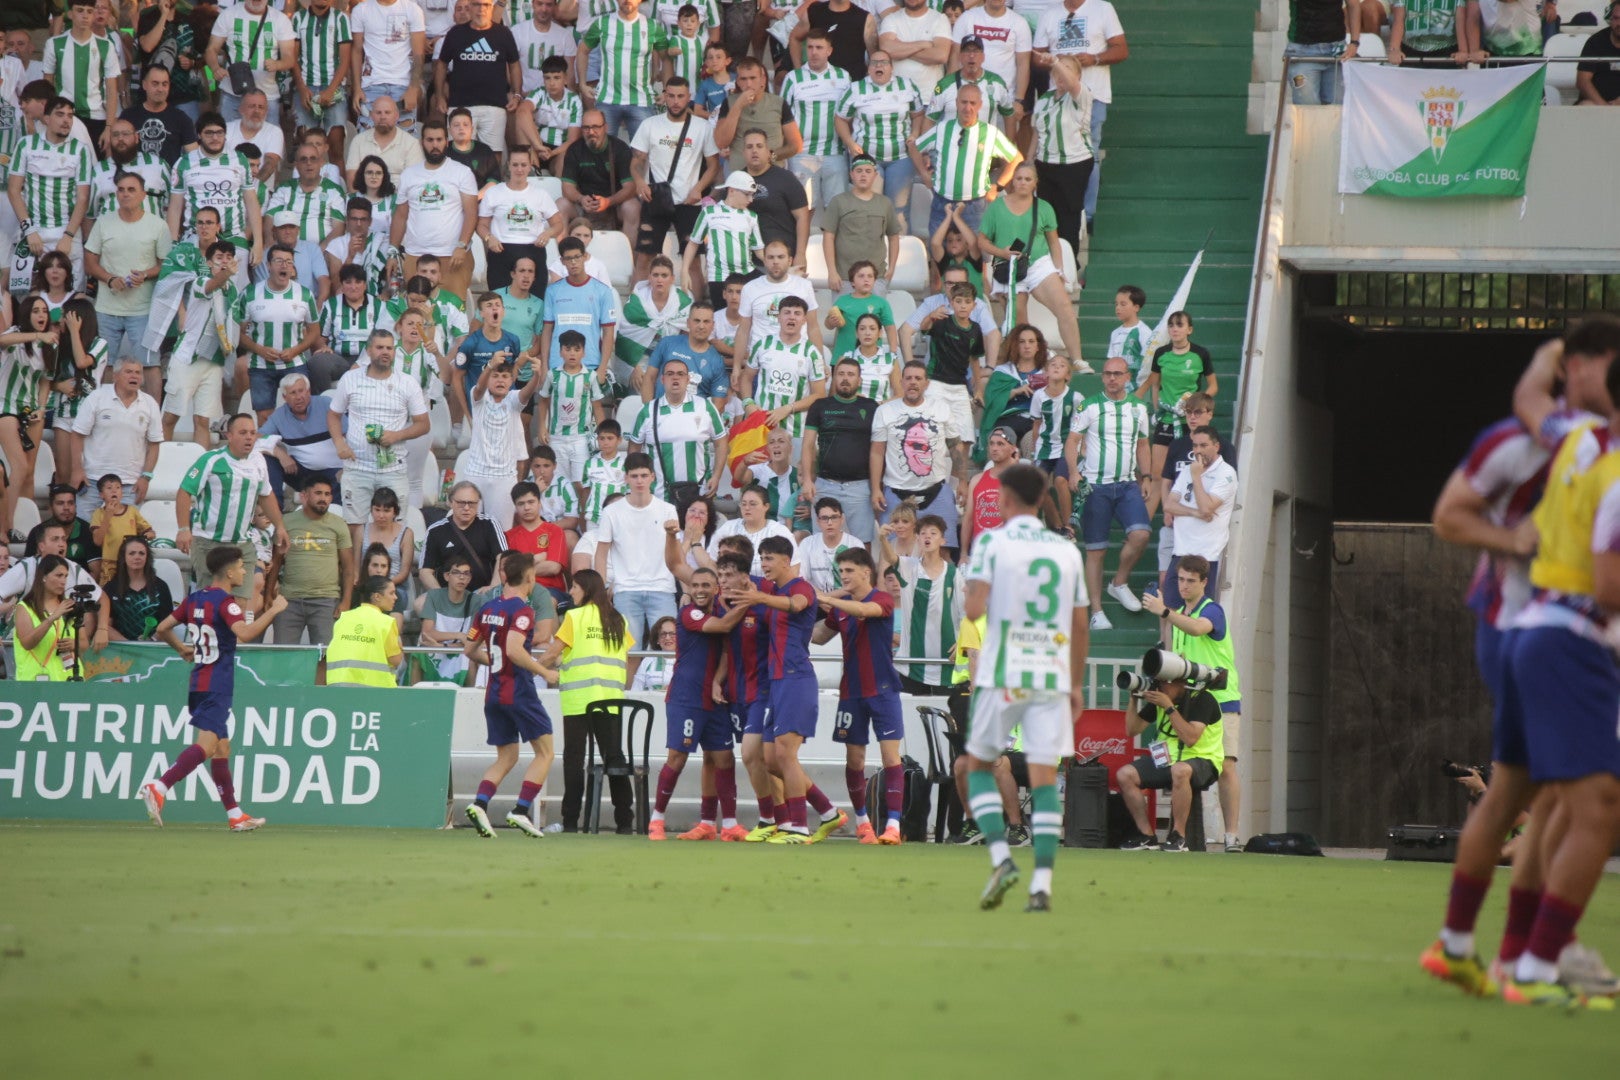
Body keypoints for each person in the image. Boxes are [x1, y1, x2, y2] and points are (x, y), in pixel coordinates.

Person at [1418, 332, 1615, 1002]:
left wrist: (1542, 363)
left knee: (1532, 796)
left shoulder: (1577, 435)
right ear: (1579, 368)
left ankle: (1494, 953)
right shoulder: (1535, 441)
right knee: (1560, 799)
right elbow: (1447, 515)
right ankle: (1527, 961)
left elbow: (1533, 393)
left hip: (1549, 633)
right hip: (1529, 630)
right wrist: (1510, 539)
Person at [960, 463, 1087, 909]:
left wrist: (982, 599)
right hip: (1050, 673)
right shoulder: (1066, 551)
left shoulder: (992, 542)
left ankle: (1001, 858)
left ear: (1008, 499)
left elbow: (974, 608)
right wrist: (1076, 683)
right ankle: (1043, 886)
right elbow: (1080, 623)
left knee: (977, 767)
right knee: (1045, 779)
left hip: (1001, 672)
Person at [142, 544, 287, 832]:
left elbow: (161, 628)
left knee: (222, 747)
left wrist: (181, 648)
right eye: (242, 567)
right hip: (217, 684)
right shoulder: (226, 602)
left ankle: (235, 814)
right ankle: (159, 785)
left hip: (199, 682)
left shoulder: (195, 599)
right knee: (207, 747)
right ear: (230, 570)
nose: (245, 571)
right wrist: (274, 611)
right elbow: (244, 634)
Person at [723, 535, 849, 844]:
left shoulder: (800, 587)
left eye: (769, 559)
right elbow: (758, 595)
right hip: (777, 683)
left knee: (786, 755)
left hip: (796, 679)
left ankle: (798, 825)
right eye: (762, 558)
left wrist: (760, 599)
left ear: (785, 561)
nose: (764, 565)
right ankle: (827, 811)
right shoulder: (772, 591)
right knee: (770, 759)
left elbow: (798, 604)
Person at [1143, 555, 1243, 851]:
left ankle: (1231, 836)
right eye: (1181, 580)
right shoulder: (1178, 615)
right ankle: (1179, 835)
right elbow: (1173, 652)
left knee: (1226, 765)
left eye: (1191, 581)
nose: (1184, 586)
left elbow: (1198, 629)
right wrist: (1164, 616)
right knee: (1182, 765)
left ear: (1204, 582)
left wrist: (1165, 611)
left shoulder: (1212, 610)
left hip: (1221, 700)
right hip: (1193, 700)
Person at [457, 550, 556, 838]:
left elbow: (469, 651)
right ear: (530, 577)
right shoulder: (523, 611)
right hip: (519, 691)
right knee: (546, 752)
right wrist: (544, 672)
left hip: (494, 691)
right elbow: (513, 649)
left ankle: (479, 804)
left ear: (503, 576)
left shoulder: (486, 609)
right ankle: (521, 810)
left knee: (507, 756)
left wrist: (496, 661)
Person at [813, 547, 906, 844]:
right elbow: (818, 636)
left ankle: (893, 826)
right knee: (854, 760)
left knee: (892, 758)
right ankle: (863, 823)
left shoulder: (880, 599)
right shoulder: (841, 609)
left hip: (883, 690)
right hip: (851, 693)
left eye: (849, 570)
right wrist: (797, 613)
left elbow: (866, 612)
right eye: (841, 572)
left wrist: (828, 598)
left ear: (866, 572)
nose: (845, 576)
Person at [647, 565, 747, 840]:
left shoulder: (723, 611)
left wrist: (717, 681)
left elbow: (727, 652)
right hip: (686, 697)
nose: (700, 590)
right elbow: (725, 627)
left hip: (715, 699)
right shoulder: (688, 613)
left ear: (716, 588)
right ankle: (656, 820)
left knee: (723, 759)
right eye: (695, 586)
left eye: (706, 586)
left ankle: (724, 824)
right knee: (677, 758)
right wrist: (752, 601)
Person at [539, 567, 637, 832]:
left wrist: (534, 666)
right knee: (614, 759)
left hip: (579, 699)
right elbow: (623, 655)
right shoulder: (619, 619)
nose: (570, 593)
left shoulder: (575, 616)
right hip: (611, 698)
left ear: (587, 589)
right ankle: (625, 823)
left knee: (574, 760)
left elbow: (552, 654)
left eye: (574, 587)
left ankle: (570, 822)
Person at [1065, 356, 1150, 630]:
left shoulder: (1139, 407)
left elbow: (1144, 444)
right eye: (1107, 374)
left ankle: (1119, 582)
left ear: (1127, 377)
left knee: (1140, 534)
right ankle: (1097, 611)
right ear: (1102, 377)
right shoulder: (1089, 406)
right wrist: (1073, 471)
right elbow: (1073, 441)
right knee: (1096, 551)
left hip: (1127, 484)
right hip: (1095, 486)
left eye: (1118, 374)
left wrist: (1146, 476)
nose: (1112, 378)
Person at [327, 328, 432, 538]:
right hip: (357, 466)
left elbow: (423, 424)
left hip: (392, 468)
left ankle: (393, 571)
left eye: (390, 348)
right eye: (380, 347)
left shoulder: (408, 382)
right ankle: (355, 571)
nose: (385, 352)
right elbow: (333, 415)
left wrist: (397, 435)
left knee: (395, 526)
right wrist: (339, 443)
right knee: (354, 526)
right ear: (368, 350)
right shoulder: (350, 378)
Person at [1031, 0, 1126, 229]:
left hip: (1093, 93)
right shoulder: (1050, 13)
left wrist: (1094, 59)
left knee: (1089, 152)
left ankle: (1087, 215)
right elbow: (1036, 55)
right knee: (1056, 150)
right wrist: (1058, 63)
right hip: (1056, 94)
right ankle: (1057, 214)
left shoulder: (1102, 9)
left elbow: (1121, 49)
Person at [1115, 655, 1224, 853]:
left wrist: (1169, 707)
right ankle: (1147, 835)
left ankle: (1178, 836)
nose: (1159, 688)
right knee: (1125, 774)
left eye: (1164, 683)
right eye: (1158, 683)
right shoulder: (1163, 699)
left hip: (1204, 761)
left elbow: (1190, 738)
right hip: (1167, 761)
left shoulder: (1203, 699)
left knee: (1180, 770)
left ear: (1180, 683)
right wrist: (1133, 699)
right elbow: (1132, 730)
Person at [177, 414, 290, 593]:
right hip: (209, 542)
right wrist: (184, 529)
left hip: (242, 543)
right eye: (243, 432)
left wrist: (280, 527)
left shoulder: (259, 461)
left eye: (253, 433)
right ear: (229, 436)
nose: (249, 437)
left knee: (239, 605)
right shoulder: (211, 459)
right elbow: (184, 491)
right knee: (210, 604)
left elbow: (266, 495)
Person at [86, 174, 175, 401]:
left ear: (143, 195)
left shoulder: (158, 225)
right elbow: (90, 260)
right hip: (106, 307)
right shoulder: (104, 221)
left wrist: (145, 275)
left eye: (131, 189)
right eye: (121, 189)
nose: (125, 194)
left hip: (143, 309)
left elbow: (167, 264)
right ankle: (105, 410)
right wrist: (108, 278)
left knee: (150, 364)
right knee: (104, 364)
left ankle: (153, 416)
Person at [871, 360, 968, 540]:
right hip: (895, 492)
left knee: (944, 549)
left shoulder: (941, 408)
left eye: (918, 378)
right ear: (901, 382)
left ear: (926, 383)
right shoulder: (884, 411)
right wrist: (876, 488)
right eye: (908, 378)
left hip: (936, 490)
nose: (913, 382)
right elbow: (877, 452)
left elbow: (955, 445)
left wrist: (962, 480)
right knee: (893, 552)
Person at [910, 83, 1021, 237]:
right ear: (956, 102)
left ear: (980, 105)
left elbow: (1016, 158)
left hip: (974, 206)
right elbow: (914, 147)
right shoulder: (942, 128)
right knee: (938, 253)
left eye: (972, 103)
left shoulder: (990, 133)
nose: (967, 108)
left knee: (975, 256)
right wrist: (924, 173)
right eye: (963, 102)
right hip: (942, 203)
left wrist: (998, 186)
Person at [594, 452, 680, 643]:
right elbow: (601, 554)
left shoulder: (668, 509)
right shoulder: (611, 512)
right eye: (634, 476)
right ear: (626, 478)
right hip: (626, 590)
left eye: (643, 475)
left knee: (669, 650)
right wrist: (603, 588)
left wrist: (673, 535)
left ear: (652, 476)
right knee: (629, 652)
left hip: (662, 588)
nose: (639, 481)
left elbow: (676, 556)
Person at [9, 95, 93, 290]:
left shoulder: (80, 150)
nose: (66, 120)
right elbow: (14, 191)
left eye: (70, 116)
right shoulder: (26, 145)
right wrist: (29, 230)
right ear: (46, 118)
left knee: (73, 294)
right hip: (32, 231)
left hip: (66, 231)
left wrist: (68, 236)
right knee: (26, 294)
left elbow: (83, 198)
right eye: (60, 114)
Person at [1138, 311, 1215, 519]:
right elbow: (1154, 383)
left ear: (1189, 329)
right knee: (1157, 474)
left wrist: (1196, 402)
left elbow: (1213, 385)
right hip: (1167, 419)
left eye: (1179, 325)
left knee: (1189, 469)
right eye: (1171, 325)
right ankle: (1147, 522)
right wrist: (1157, 409)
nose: (1174, 329)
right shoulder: (1162, 353)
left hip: (1190, 422)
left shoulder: (1200, 354)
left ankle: (1182, 512)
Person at [392, 120, 480, 303]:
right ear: (421, 142)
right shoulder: (409, 174)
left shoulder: (461, 172)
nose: (435, 145)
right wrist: (392, 251)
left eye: (439, 140)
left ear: (446, 141)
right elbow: (400, 215)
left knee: (453, 311)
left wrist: (462, 245)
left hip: (453, 255)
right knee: (416, 312)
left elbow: (471, 213)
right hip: (416, 255)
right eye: (430, 140)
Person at [834, 52, 924, 227]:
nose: (879, 66)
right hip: (867, 158)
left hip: (901, 157)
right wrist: (850, 144)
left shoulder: (907, 86)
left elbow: (918, 114)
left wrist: (914, 134)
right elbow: (840, 119)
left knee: (898, 211)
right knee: (869, 210)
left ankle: (900, 253)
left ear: (892, 67)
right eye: (874, 63)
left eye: (883, 63)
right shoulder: (855, 89)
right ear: (868, 68)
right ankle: (869, 252)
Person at [168, 112, 264, 275]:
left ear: (225, 135)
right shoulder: (184, 162)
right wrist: (172, 244)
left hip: (233, 235)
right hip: (196, 237)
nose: (215, 137)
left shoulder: (239, 160)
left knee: (235, 293)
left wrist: (258, 242)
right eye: (209, 133)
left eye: (219, 132)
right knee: (198, 291)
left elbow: (252, 202)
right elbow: (175, 208)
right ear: (199, 135)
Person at [70, 357, 163, 524]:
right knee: (86, 533)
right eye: (128, 372)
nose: (134, 376)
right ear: (115, 376)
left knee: (123, 539)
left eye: (138, 373)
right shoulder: (97, 397)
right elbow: (77, 435)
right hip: (92, 481)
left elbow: (155, 445)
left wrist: (146, 477)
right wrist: (77, 469)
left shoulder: (150, 404)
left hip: (130, 484)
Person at [801, 357, 881, 544]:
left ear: (859, 380)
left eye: (851, 374)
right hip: (825, 485)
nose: (845, 379)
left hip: (860, 487)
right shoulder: (820, 406)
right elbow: (808, 445)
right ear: (834, 378)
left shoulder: (871, 408)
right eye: (841, 374)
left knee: (862, 544)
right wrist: (806, 479)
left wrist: (877, 487)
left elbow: (878, 449)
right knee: (822, 540)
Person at [628, 359, 728, 502]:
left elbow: (721, 442)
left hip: (700, 492)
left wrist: (716, 476)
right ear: (662, 380)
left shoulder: (705, 406)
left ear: (688, 379)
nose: (675, 377)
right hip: (658, 496)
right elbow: (633, 449)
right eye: (670, 374)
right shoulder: (647, 411)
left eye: (680, 374)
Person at [1028, 53, 1093, 269]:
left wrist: (1056, 61)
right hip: (1045, 163)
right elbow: (1037, 133)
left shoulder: (1080, 95)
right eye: (1058, 70)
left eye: (1067, 68)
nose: (1061, 73)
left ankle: (1068, 264)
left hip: (1073, 163)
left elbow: (1073, 84)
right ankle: (1048, 264)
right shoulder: (1045, 98)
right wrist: (1029, 162)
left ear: (1077, 74)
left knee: (1067, 216)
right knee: (1046, 215)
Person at [272, 476, 353, 647]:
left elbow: (348, 568)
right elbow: (276, 562)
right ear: (304, 495)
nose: (323, 498)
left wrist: (345, 601)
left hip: (326, 600)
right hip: (289, 601)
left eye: (328, 494)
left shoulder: (339, 524)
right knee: (283, 656)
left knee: (326, 657)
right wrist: (267, 597)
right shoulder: (286, 522)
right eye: (318, 493)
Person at [463, 357, 544, 529]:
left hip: (504, 477)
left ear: (512, 380)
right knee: (469, 527)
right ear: (488, 378)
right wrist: (490, 365)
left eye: (505, 376)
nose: (500, 380)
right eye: (495, 375)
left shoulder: (514, 399)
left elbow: (527, 393)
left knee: (502, 530)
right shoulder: (478, 398)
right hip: (476, 473)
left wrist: (536, 376)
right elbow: (479, 388)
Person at [1164, 425, 1237, 608]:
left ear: (1216, 446)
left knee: (1199, 612)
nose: (1198, 451)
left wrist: (1197, 477)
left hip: (1206, 556)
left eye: (1203, 446)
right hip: (1180, 552)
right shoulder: (1189, 470)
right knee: (1172, 610)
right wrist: (1194, 512)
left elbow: (1206, 508)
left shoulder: (1226, 474)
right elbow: (1169, 505)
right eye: (1195, 446)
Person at [780, 30, 851, 216]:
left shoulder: (843, 77)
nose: (814, 52)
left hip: (835, 153)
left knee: (836, 211)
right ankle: (801, 246)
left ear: (829, 50)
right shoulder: (793, 78)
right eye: (810, 47)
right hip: (802, 154)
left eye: (819, 47)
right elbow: (782, 116)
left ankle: (834, 246)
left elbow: (850, 114)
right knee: (804, 210)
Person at [435, 0, 521, 152]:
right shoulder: (455, 33)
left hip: (494, 106)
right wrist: (440, 96)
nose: (481, 9)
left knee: (494, 155)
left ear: (492, 8)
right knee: (458, 154)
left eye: (486, 5)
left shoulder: (504, 33)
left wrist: (517, 94)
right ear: (470, 8)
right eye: (476, 4)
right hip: (460, 106)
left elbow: (514, 65)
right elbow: (441, 64)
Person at [739, 294, 825, 446]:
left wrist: (787, 408)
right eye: (787, 312)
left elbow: (819, 395)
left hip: (796, 431)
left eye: (797, 314)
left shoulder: (812, 353)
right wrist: (748, 403)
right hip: (761, 428)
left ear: (804, 320)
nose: (791, 318)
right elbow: (746, 378)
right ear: (778, 317)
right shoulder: (762, 345)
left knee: (793, 470)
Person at [0, 297, 51, 542]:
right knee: (18, 466)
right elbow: (1, 340)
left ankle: (30, 530)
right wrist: (36, 336)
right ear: (26, 314)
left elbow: (45, 380)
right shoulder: (17, 334)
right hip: (5, 406)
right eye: (35, 310)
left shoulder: (50, 341)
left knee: (29, 472)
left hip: (32, 410)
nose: (41, 315)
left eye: (44, 311)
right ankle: (5, 526)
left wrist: (42, 408)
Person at [43, 0, 122, 146]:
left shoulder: (106, 46)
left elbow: (112, 90)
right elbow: (47, 85)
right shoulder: (54, 44)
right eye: (80, 10)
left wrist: (109, 127)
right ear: (70, 14)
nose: (85, 15)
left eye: (89, 11)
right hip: (63, 115)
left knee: (92, 165)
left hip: (96, 117)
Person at [206, 0, 298, 126]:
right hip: (232, 93)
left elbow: (289, 58)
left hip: (267, 96)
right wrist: (215, 68)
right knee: (228, 140)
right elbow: (211, 49)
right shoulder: (228, 15)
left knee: (269, 142)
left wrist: (278, 64)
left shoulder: (280, 19)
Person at [479, 154, 562, 292]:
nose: (519, 169)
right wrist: (489, 238)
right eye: (515, 165)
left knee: (534, 301)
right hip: (501, 250)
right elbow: (481, 225)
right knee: (499, 300)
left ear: (530, 166)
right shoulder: (494, 192)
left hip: (533, 249)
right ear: (509, 165)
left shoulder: (541, 194)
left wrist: (548, 233)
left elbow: (558, 224)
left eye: (523, 165)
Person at [259, 371, 345, 503]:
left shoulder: (326, 404)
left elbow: (351, 435)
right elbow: (256, 438)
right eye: (293, 393)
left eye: (301, 391)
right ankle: (275, 512)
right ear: (284, 397)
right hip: (302, 472)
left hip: (335, 470)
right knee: (268, 457)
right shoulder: (279, 415)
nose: (299, 397)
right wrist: (281, 454)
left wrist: (348, 468)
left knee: (334, 506)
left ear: (308, 391)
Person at [822, 156, 903, 295]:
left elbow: (894, 237)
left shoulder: (885, 203)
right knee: (841, 317)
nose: (863, 175)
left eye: (868, 171)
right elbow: (828, 237)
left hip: (875, 278)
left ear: (875, 175)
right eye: (859, 171)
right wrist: (832, 272)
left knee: (875, 317)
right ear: (851, 175)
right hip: (845, 278)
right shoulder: (838, 201)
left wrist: (891, 269)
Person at [539, 237, 619, 377]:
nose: (573, 262)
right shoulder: (552, 291)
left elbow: (608, 332)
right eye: (568, 258)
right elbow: (547, 331)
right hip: (557, 365)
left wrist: (602, 368)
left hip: (590, 364)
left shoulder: (603, 291)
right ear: (562, 261)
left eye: (577, 257)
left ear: (585, 257)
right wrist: (545, 367)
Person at [681, 172, 762, 309]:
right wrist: (684, 271)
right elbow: (694, 243)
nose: (751, 199)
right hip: (719, 278)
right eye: (747, 194)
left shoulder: (752, 216)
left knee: (750, 316)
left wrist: (783, 270)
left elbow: (760, 251)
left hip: (747, 275)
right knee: (721, 317)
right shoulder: (709, 212)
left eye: (752, 195)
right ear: (731, 191)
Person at [731, 128, 810, 268]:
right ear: (743, 153)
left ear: (769, 152)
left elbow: (802, 217)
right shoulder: (735, 181)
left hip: (781, 258)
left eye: (759, 146)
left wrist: (800, 254)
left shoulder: (786, 178)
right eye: (749, 147)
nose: (754, 151)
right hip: (746, 261)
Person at [291, 0, 353, 167]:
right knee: (305, 147)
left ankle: (339, 191)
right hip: (306, 87)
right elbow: (293, 58)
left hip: (334, 87)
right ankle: (303, 191)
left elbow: (345, 60)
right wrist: (302, 89)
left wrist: (331, 90)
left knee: (335, 146)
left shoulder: (341, 19)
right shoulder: (298, 18)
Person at [350, 0, 427, 132]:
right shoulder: (361, 10)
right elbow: (357, 51)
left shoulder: (413, 9)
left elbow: (418, 54)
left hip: (403, 86)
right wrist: (357, 88)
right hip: (371, 85)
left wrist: (413, 89)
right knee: (368, 141)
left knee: (404, 143)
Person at [560, 109, 640, 234]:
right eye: (586, 127)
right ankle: (564, 252)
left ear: (606, 127)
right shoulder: (574, 150)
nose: (591, 132)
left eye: (596, 127)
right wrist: (581, 199)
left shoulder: (620, 148)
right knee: (561, 205)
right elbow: (567, 187)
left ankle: (628, 253)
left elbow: (630, 187)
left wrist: (609, 201)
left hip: (614, 205)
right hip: (583, 205)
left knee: (633, 207)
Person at [712, 57, 803, 164]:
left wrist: (770, 156)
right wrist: (738, 106)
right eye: (743, 79)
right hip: (739, 173)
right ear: (737, 81)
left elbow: (796, 145)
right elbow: (721, 142)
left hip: (772, 171)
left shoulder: (779, 103)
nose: (748, 84)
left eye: (753, 78)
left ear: (763, 80)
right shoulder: (728, 103)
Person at [121, 39, 199, 164]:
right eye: (155, 84)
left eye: (164, 84)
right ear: (144, 85)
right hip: (135, 178)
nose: (160, 89)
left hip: (169, 179)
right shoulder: (128, 116)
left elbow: (194, 157)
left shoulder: (181, 119)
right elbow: (118, 151)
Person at [423, 479, 509, 591]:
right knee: (419, 604)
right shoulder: (435, 530)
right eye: (461, 503)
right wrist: (439, 595)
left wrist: (492, 588)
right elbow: (425, 571)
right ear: (450, 502)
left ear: (478, 503)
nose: (467, 508)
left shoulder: (489, 523)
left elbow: (503, 558)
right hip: (448, 594)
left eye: (472, 503)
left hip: (483, 592)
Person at [617, 255, 693, 377]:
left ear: (672, 279)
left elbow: (688, 339)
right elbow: (624, 339)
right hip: (640, 358)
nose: (659, 279)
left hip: (672, 357)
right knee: (639, 389)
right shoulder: (636, 302)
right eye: (655, 275)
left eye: (664, 275)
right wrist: (634, 368)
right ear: (649, 277)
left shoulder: (683, 303)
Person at [93, 535, 174, 644]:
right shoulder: (111, 588)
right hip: (121, 650)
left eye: (141, 553)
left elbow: (168, 624)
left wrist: (151, 640)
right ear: (123, 557)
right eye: (132, 553)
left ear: (147, 557)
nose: (137, 557)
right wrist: (131, 646)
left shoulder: (161, 587)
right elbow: (105, 626)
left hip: (152, 649)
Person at [326, 574, 403, 686]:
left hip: (338, 686)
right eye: (391, 593)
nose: (395, 597)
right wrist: (400, 649)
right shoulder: (386, 622)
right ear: (377, 597)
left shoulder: (344, 618)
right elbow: (396, 661)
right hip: (375, 692)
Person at [1284, 0, 1364, 106]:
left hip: (1337, 50)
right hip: (1302, 51)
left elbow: (1353, 4)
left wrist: (1354, 43)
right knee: (1307, 110)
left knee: (1337, 111)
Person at [12, 554, 77, 682]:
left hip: (68, 681)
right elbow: (27, 643)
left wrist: (75, 644)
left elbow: (85, 642)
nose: (63, 581)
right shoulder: (25, 607)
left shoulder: (69, 605)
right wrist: (52, 618)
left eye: (65, 576)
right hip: (34, 683)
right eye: (58, 575)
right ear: (43, 577)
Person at [515, 53, 583, 177]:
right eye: (547, 78)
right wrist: (538, 146)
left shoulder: (574, 100)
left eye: (557, 78)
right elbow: (522, 111)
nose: (551, 83)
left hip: (558, 151)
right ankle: (532, 171)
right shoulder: (539, 93)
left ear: (566, 79)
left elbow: (573, 140)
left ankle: (560, 191)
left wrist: (551, 153)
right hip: (536, 147)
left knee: (565, 158)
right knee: (520, 120)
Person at [344, 98, 425, 185]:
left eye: (387, 112)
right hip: (365, 196)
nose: (383, 117)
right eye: (378, 113)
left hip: (399, 196)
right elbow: (351, 177)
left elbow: (413, 181)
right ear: (371, 116)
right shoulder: (358, 141)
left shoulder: (411, 143)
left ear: (397, 116)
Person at [964, 424, 1018, 553]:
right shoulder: (977, 480)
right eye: (992, 444)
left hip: (1008, 552)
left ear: (1012, 449)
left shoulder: (1020, 478)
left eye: (1000, 444)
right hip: (981, 553)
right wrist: (963, 554)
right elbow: (968, 519)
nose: (994, 448)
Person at [880, 0, 952, 93]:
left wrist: (900, 48)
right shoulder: (891, 19)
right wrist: (923, 44)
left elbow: (940, 56)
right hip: (898, 97)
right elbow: (886, 49)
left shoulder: (940, 19)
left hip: (929, 95)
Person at [225, 90, 285, 182]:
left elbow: (270, 163)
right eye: (252, 106)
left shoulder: (275, 132)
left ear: (266, 111)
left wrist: (253, 187)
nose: (256, 111)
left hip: (260, 190)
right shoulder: (226, 129)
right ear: (241, 109)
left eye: (261, 107)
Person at [1389, 0, 1472, 66]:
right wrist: (1394, 49)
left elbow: (1460, 22)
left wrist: (1463, 51)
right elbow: (1398, 21)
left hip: (1446, 50)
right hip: (1411, 50)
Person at [1577, 4, 1620, 106]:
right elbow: (1582, 82)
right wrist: (1604, 107)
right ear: (1610, 20)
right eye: (1616, 18)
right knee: (1586, 105)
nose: (1619, 23)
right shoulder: (1595, 41)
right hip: (1596, 103)